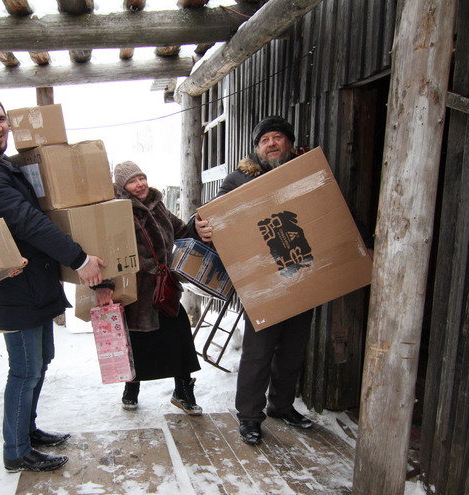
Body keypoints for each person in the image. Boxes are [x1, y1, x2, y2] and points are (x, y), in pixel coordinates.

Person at [0, 91, 106, 474]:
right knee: (25, 368)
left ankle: (27, 431)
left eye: (1, 118)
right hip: (14, 285)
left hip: (34, 279)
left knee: (40, 360)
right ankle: (15, 450)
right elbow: (25, 220)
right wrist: (78, 259)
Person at [201, 116, 315, 446]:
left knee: (292, 349)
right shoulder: (239, 179)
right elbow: (210, 214)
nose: (271, 143)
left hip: (303, 271)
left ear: (289, 143)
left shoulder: (304, 170)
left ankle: (282, 406)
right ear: (257, 149)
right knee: (258, 351)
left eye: (277, 137)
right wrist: (199, 226)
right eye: (264, 140)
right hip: (263, 279)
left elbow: (333, 207)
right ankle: (250, 416)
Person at [95, 161, 212, 414]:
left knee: (180, 338)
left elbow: (181, 230)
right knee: (136, 342)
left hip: (164, 287)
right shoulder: (116, 209)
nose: (140, 184)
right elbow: (107, 248)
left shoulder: (157, 205)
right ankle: (131, 389)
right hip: (135, 291)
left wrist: (198, 225)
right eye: (132, 181)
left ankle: (183, 392)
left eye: (142, 178)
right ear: (122, 186)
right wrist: (105, 284)